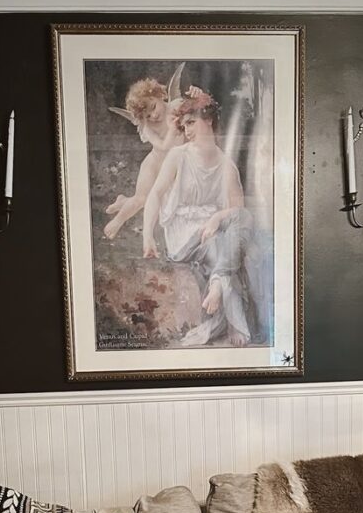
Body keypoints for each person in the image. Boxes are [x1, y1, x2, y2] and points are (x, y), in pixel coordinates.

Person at [141, 90, 256, 348]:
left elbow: (238, 212)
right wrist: (147, 236)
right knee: (219, 244)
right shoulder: (179, 155)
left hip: (210, 229)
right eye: (183, 126)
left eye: (191, 122)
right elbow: (156, 193)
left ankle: (217, 283)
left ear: (209, 120)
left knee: (241, 219)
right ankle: (232, 319)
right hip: (183, 234)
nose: (187, 130)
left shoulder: (227, 165)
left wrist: (216, 218)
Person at [103, 68, 189, 240]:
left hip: (175, 165)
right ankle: (118, 221)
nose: (154, 115)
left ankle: (122, 201)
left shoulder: (176, 107)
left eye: (153, 107)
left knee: (173, 202)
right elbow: (163, 147)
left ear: (158, 95)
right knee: (141, 199)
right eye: (147, 115)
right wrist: (172, 130)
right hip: (155, 163)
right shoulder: (147, 128)